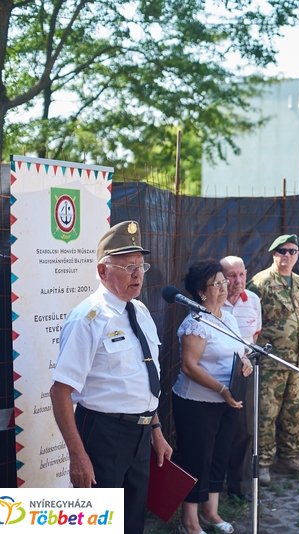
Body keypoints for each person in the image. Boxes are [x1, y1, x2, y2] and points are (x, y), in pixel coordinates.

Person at [50, 220, 172, 534]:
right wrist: (78, 456)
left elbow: (145, 377)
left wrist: (155, 429)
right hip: (103, 434)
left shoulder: (140, 312)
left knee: (131, 522)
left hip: (140, 435)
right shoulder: (88, 318)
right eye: (127, 266)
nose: (137, 274)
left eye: (141, 265)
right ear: (103, 272)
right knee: (100, 525)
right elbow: (60, 392)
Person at [172, 259, 251, 534]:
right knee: (197, 459)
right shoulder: (196, 322)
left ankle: (211, 512)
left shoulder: (227, 318)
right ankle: (189, 521)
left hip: (227, 401)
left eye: (223, 281)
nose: (224, 285)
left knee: (219, 455)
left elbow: (239, 351)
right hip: (197, 404)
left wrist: (247, 362)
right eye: (216, 283)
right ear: (202, 292)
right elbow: (189, 365)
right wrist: (220, 389)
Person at [250, 234, 299, 485]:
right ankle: (263, 463)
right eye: (282, 251)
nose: (287, 256)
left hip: (296, 361)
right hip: (271, 362)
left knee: (294, 411)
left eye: (293, 252)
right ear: (273, 254)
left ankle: (289, 457)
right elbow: (251, 320)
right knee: (266, 413)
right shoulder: (260, 283)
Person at [220, 255, 263, 501]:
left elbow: (255, 334)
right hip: (217, 372)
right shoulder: (214, 301)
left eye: (241, 274)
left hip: (245, 372)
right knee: (220, 428)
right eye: (231, 276)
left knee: (245, 430)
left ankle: (237, 486)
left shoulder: (253, 300)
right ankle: (214, 484)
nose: (237, 281)